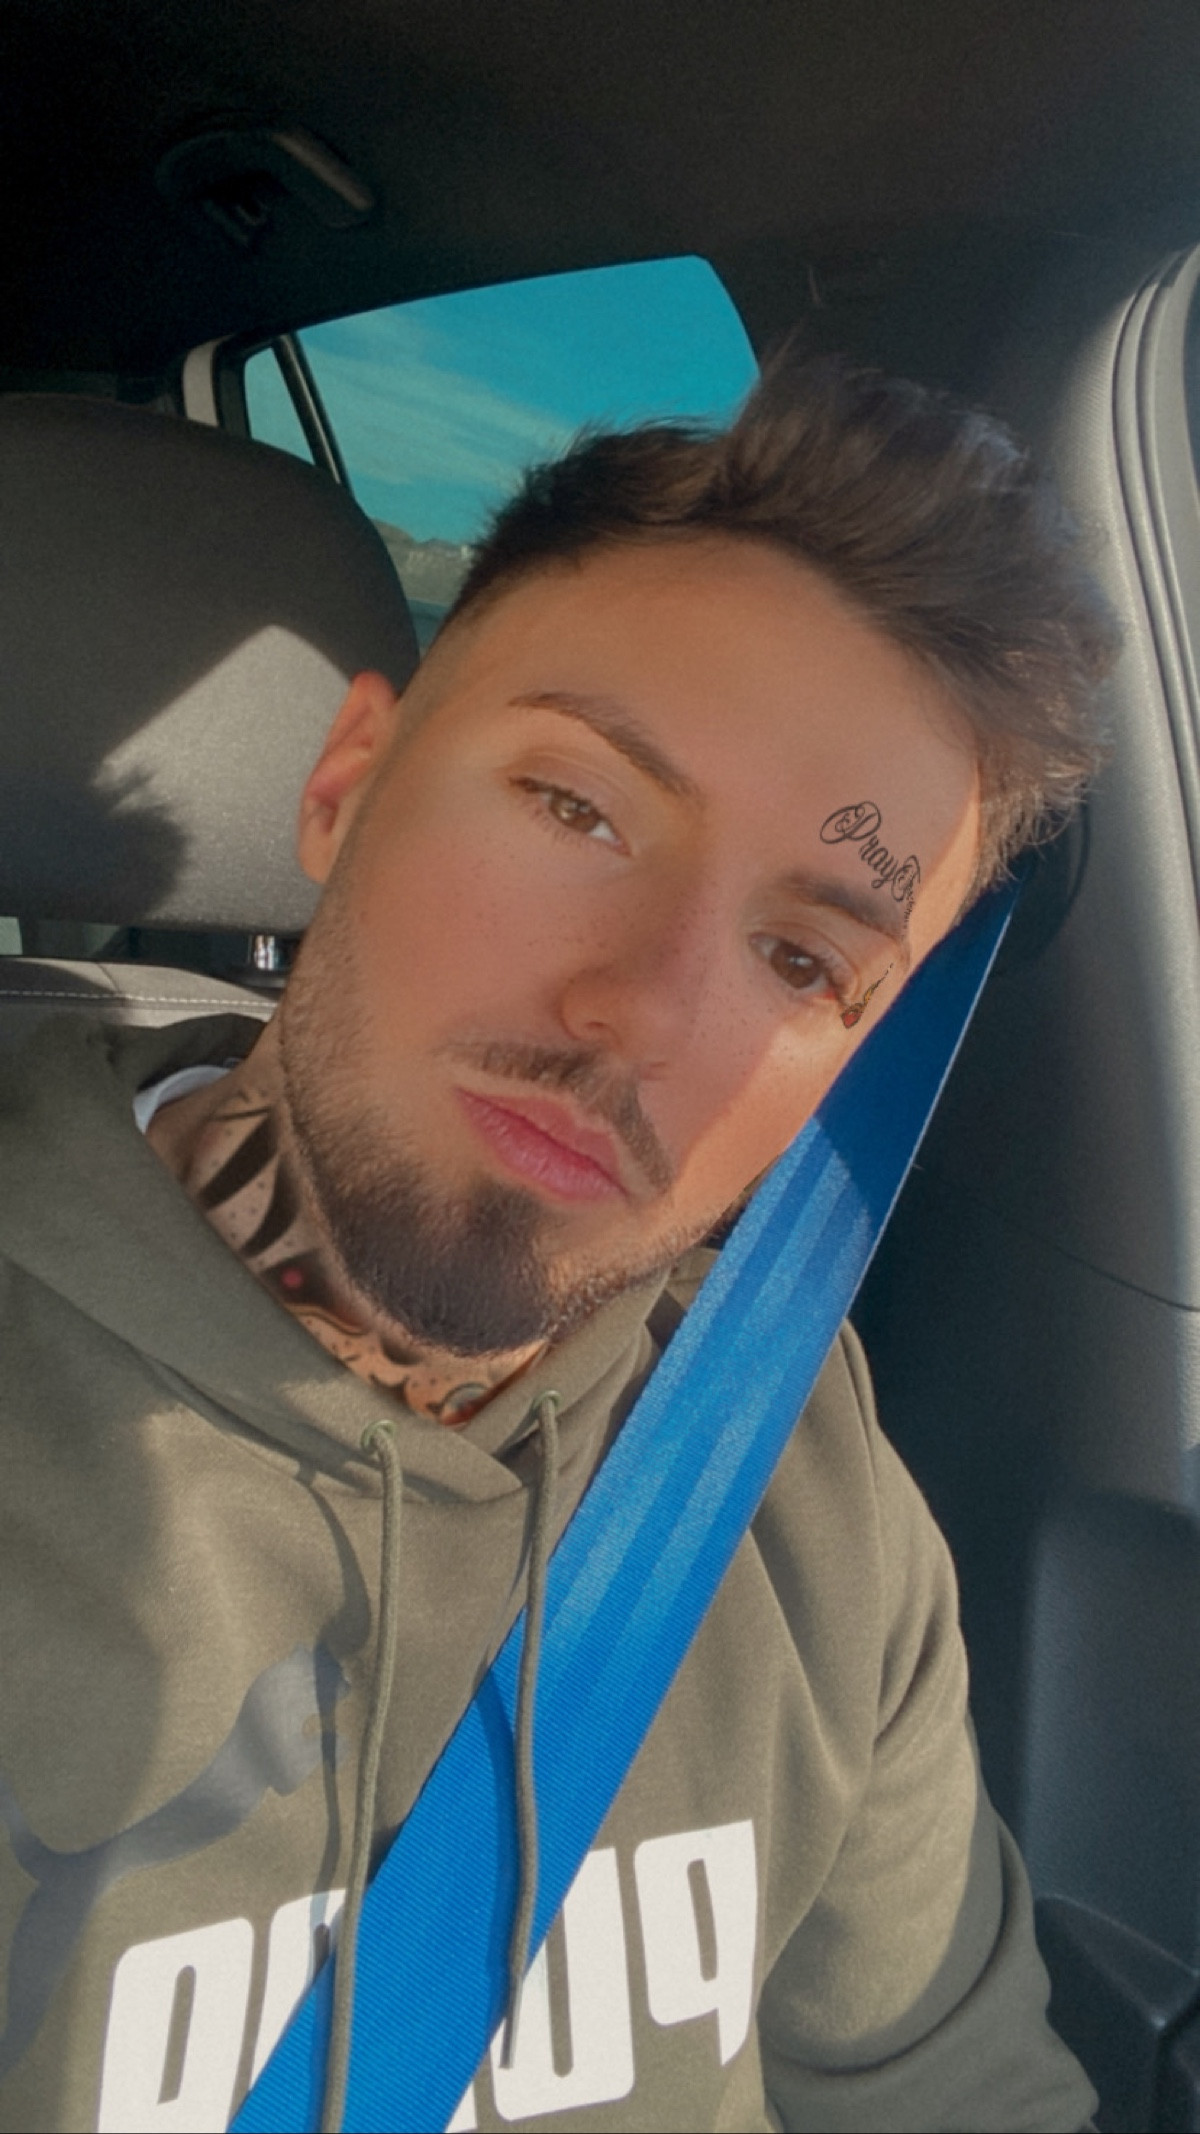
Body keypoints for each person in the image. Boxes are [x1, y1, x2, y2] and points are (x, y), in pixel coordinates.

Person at [0, 354, 1118, 2134]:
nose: (640, 1013)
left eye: (803, 958)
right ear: (345, 785)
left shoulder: (783, 1468)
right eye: (579, 808)